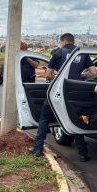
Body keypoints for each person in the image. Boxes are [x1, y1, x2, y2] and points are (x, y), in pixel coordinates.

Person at [29, 33, 97, 162]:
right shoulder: (82, 54)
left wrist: (58, 76)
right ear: (73, 41)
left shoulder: (58, 53)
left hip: (58, 92)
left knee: (44, 118)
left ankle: (37, 148)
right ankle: (83, 153)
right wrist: (80, 77)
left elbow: (48, 75)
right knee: (75, 120)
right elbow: (94, 73)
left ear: (63, 41)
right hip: (75, 93)